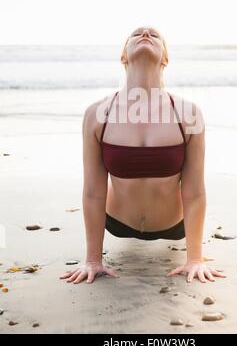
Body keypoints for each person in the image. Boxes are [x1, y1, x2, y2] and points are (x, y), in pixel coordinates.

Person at [59, 26, 226, 285]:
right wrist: (93, 259)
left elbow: (194, 192)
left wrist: (195, 259)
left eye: (154, 35)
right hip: (115, 221)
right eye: (136, 34)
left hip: (174, 226)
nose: (145, 34)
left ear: (165, 59)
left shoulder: (188, 114)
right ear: (123, 56)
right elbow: (93, 191)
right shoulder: (97, 115)